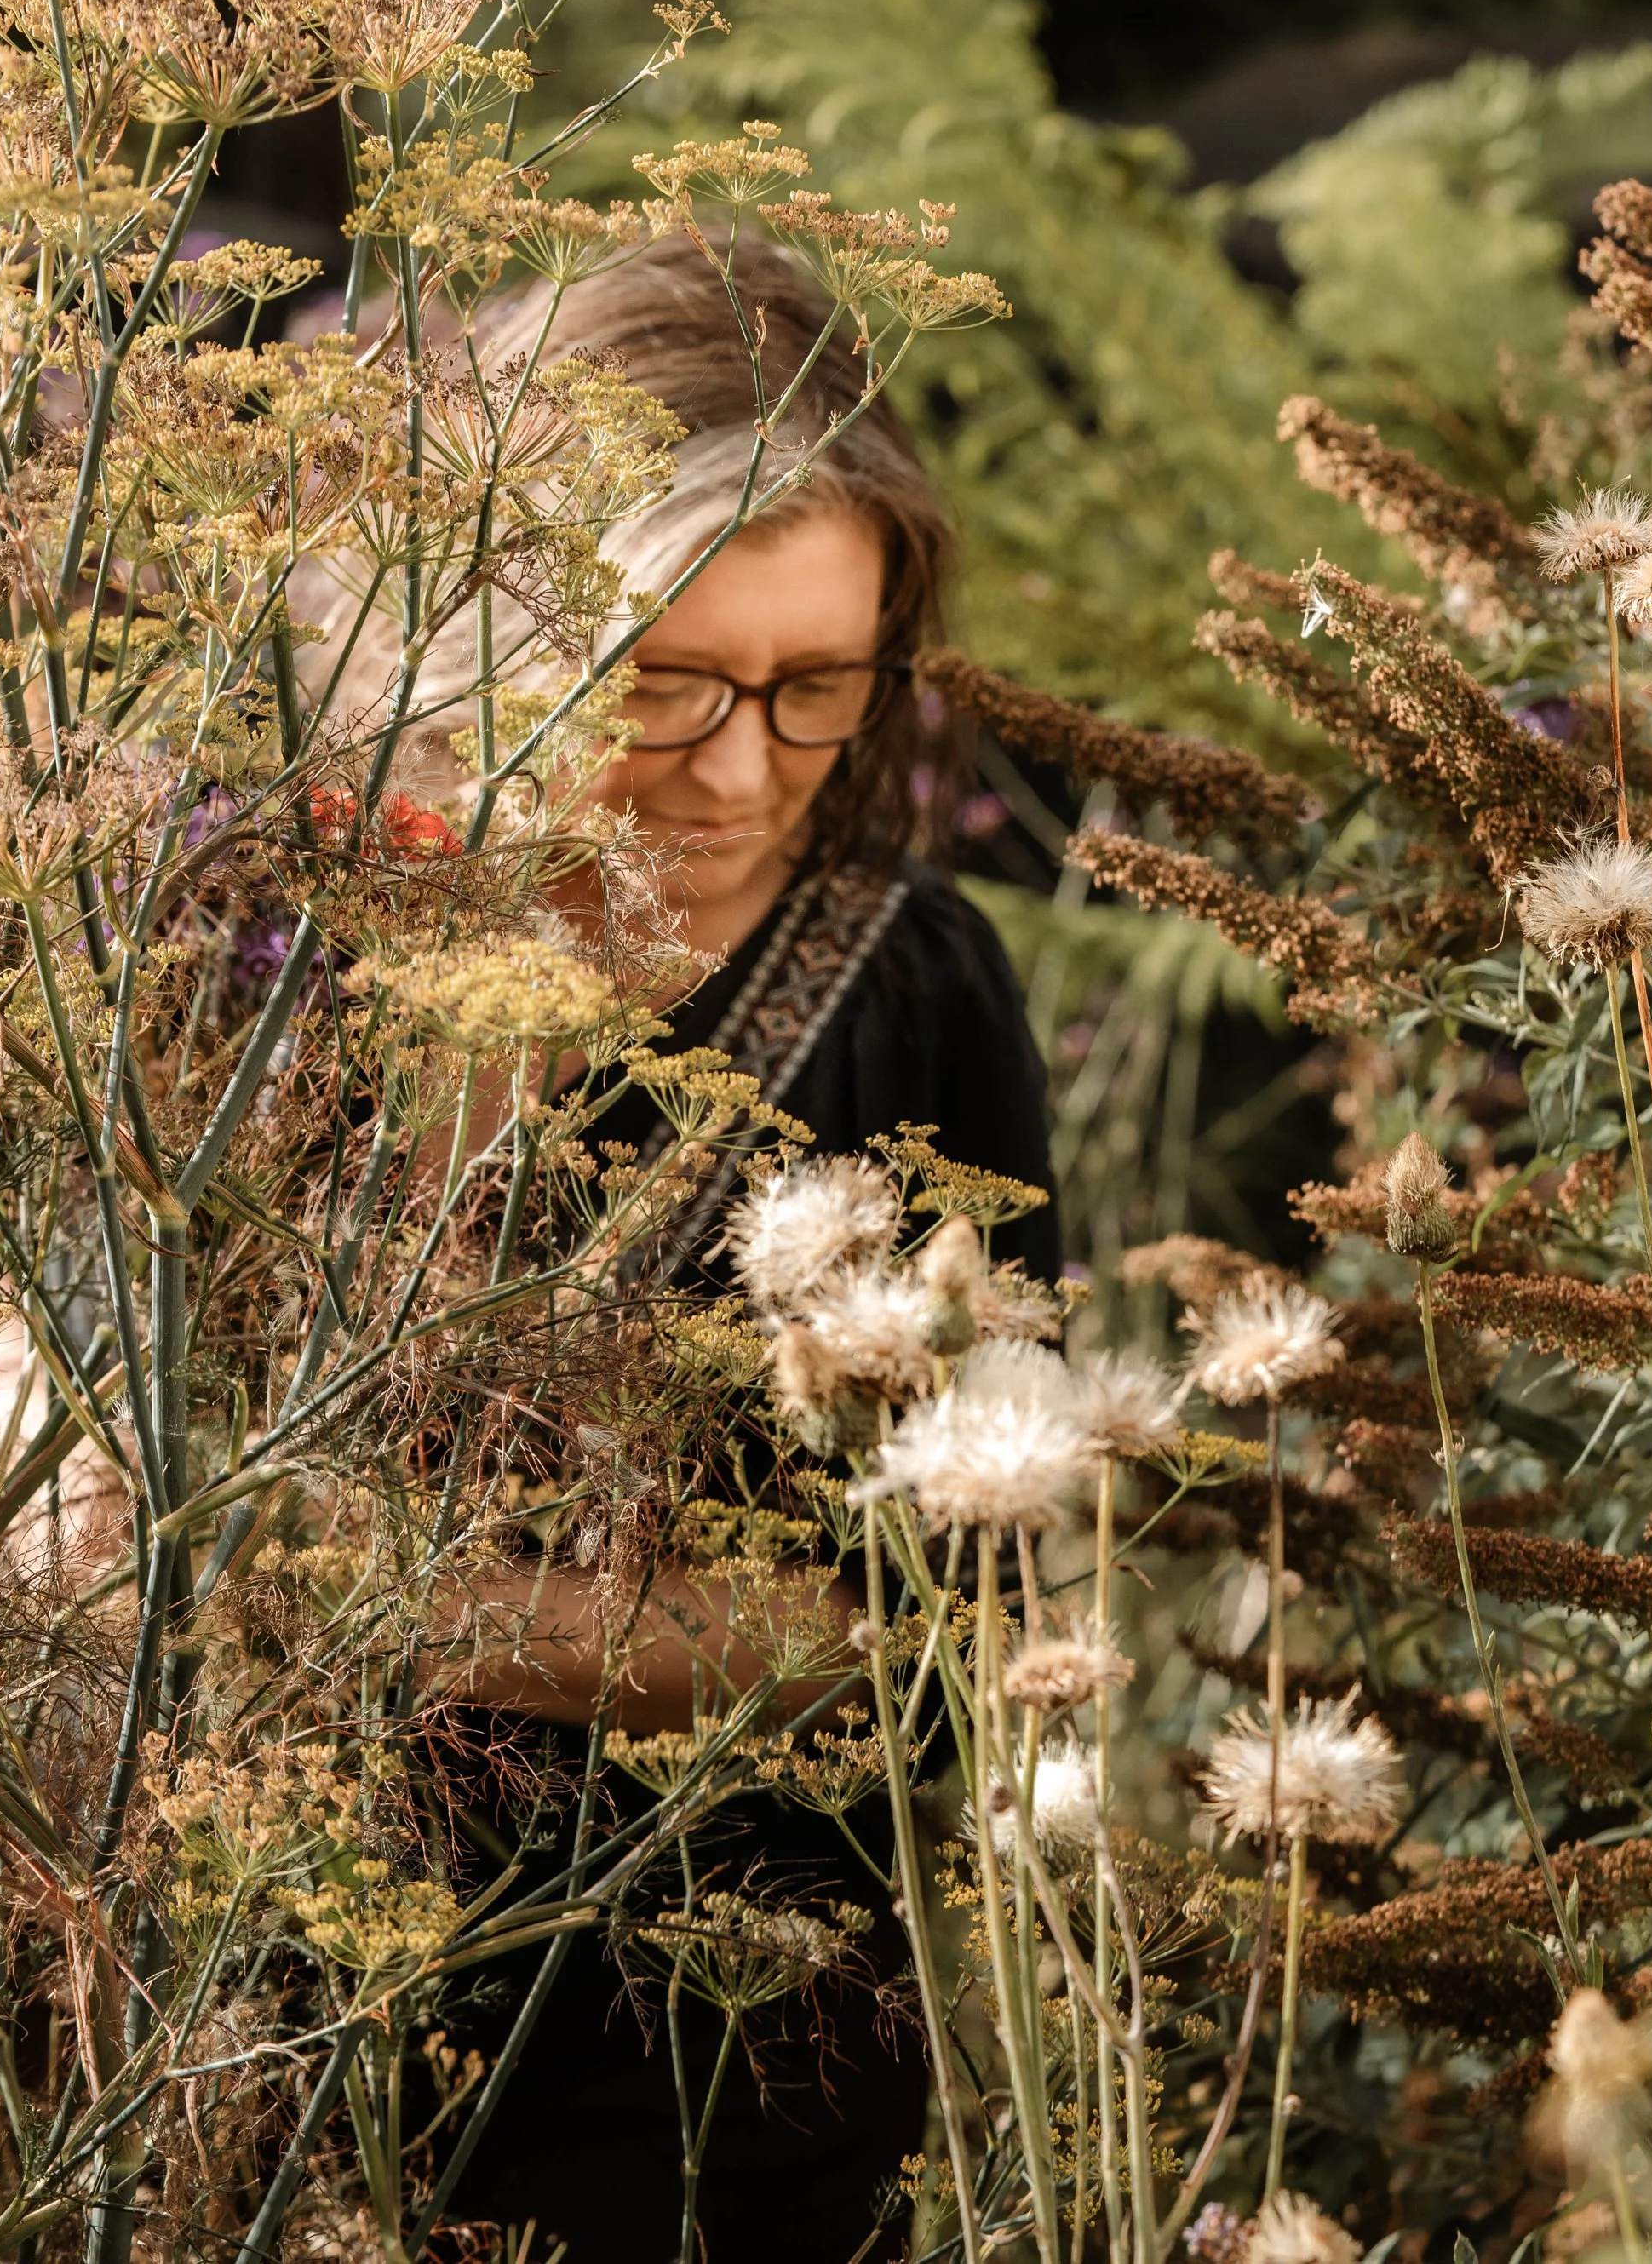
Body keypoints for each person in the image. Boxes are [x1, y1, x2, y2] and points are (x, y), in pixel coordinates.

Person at [392, 232, 1057, 2262]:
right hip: (210, 2035)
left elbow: (955, 1643)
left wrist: (417, 1621)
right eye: (657, 683)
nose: (744, 769)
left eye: (815, 690)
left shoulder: (910, 999)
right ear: (477, 623)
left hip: (709, 2072)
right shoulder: (267, 943)